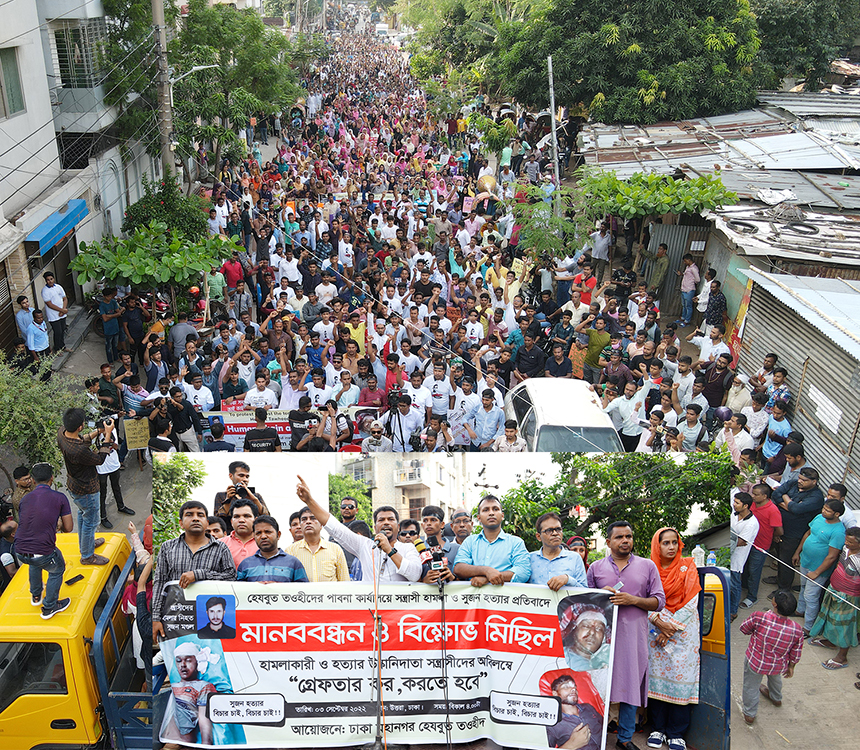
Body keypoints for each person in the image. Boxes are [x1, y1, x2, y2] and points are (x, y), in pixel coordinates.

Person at [587, 521, 665, 750]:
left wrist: (633, 600)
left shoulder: (647, 566)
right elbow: (586, 601)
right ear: (609, 541)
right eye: (620, 537)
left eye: (628, 536)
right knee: (598, 685)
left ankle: (625, 739)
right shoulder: (595, 568)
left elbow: (659, 601)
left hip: (633, 637)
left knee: (631, 687)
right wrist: (601, 595)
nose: (625, 541)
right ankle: (595, 735)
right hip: (601, 638)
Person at [295, 476, 421, 582]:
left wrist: (389, 550)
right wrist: (309, 500)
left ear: (398, 527)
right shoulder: (366, 546)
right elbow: (336, 528)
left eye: (391, 519)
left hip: (398, 610)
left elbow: (415, 575)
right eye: (381, 520)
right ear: (375, 527)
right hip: (371, 609)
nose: (386, 523)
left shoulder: (407, 548)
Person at [646, 528, 701, 750]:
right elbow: (642, 598)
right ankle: (658, 729)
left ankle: (677, 732)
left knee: (681, 683)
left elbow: (691, 600)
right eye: (665, 543)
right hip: (654, 630)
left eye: (674, 542)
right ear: (656, 546)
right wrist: (658, 622)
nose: (671, 547)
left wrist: (670, 628)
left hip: (684, 633)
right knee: (657, 680)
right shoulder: (649, 569)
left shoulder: (688, 565)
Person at [152, 501, 236, 643]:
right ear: (181, 523)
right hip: (176, 619)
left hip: (209, 619)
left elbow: (232, 578)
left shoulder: (221, 548)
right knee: (178, 661)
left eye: (200, 515)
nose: (195, 518)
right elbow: (159, 582)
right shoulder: (168, 547)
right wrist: (155, 618)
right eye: (189, 515)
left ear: (206, 522)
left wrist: (199, 575)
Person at [15, 463, 74, 619]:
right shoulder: (60, 498)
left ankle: (35, 595)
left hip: (20, 550)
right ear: (52, 478)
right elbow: (68, 528)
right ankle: (50, 606)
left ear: (33, 481)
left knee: (35, 562)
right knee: (57, 568)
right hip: (43, 551)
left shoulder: (25, 499)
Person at [57, 408, 115, 565]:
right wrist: (107, 435)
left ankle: (86, 544)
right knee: (90, 521)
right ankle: (87, 556)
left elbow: (80, 440)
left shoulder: (62, 433)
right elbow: (100, 459)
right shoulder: (79, 451)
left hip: (74, 485)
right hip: (86, 489)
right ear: (80, 427)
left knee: (84, 515)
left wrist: (98, 431)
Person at [739, 590, 803, 724]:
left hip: (755, 662)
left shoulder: (759, 617)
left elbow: (744, 629)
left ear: (774, 604)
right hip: (777, 664)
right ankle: (776, 698)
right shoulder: (797, 629)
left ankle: (750, 714)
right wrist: (791, 666)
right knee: (775, 679)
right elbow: (796, 651)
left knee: (751, 687)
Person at [808, 525, 860, 670]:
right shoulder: (845, 549)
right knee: (830, 617)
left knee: (844, 625)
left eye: (851, 542)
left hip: (848, 597)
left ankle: (842, 657)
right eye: (846, 540)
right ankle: (831, 641)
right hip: (834, 589)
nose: (847, 543)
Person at [793, 498, 845, 635]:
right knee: (803, 587)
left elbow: (832, 556)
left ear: (837, 514)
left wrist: (816, 572)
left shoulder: (839, 532)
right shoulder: (818, 518)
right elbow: (807, 534)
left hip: (818, 569)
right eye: (824, 508)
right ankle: (800, 610)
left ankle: (808, 627)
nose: (823, 511)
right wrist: (798, 552)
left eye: (827, 510)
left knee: (811, 596)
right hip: (805, 561)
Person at [453, 495, 530, 586]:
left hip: (505, 599)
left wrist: (488, 578)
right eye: (486, 510)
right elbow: (458, 568)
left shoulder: (516, 543)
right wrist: (486, 571)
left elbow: (523, 572)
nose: (491, 513)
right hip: (475, 599)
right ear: (479, 518)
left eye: (495, 509)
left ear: (502, 515)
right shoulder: (470, 542)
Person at [772, 466, 824, 596]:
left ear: (814, 482)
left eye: (804, 480)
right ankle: (779, 579)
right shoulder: (793, 483)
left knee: (786, 560)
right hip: (780, 528)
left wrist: (784, 497)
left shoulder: (816, 497)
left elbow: (796, 509)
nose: (800, 481)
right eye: (800, 478)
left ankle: (783, 589)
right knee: (778, 555)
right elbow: (775, 494)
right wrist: (788, 502)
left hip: (795, 534)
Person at [166, 642, 218, 745]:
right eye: (178, 661)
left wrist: (206, 745)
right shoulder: (170, 686)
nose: (183, 665)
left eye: (188, 660)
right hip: (161, 740)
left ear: (197, 662)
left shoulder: (203, 686)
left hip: (181, 743)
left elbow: (204, 719)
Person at [741, 484, 783, 609]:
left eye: (756, 494)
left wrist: (771, 536)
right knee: (746, 566)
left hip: (760, 545)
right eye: (752, 493)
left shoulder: (773, 510)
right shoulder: (752, 504)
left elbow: (779, 531)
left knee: (755, 571)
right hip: (747, 542)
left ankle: (752, 597)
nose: (752, 496)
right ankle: (746, 586)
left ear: (765, 496)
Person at [286, 505, 350, 582]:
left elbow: (344, 582)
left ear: (321, 525)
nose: (308, 522)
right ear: (301, 525)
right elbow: (287, 583)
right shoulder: (290, 551)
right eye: (304, 519)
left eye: (313, 518)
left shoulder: (335, 550)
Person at [237, 516, 309, 583]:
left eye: (268, 532)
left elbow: (303, 591)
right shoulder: (245, 564)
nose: (263, 536)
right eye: (258, 533)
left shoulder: (293, 563)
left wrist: (277, 588)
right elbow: (237, 591)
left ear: (278, 535)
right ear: (254, 537)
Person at [529, 512, 587, 590]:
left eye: (558, 529)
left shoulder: (575, 558)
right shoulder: (529, 559)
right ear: (539, 537)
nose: (555, 533)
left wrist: (568, 580)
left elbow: (585, 591)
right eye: (549, 530)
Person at [546, 674, 603, 750]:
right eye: (566, 687)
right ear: (555, 694)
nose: (573, 689)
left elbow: (603, 725)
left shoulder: (588, 707)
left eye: (574, 687)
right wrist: (571, 745)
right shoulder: (552, 724)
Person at [730, 493, 759, 621]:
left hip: (737, 558)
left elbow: (741, 542)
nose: (734, 504)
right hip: (729, 555)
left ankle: (733, 611)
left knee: (734, 585)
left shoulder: (752, 524)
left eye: (737, 503)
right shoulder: (733, 514)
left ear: (746, 506)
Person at [213, 461, 269, 526]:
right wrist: (228, 500)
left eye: (247, 477)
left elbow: (267, 518)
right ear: (231, 476)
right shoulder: (221, 495)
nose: (245, 479)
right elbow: (217, 521)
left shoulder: (255, 496)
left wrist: (254, 500)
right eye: (241, 476)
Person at [419, 506, 459, 585]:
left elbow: (466, 581)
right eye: (425, 520)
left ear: (442, 524)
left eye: (433, 520)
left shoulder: (457, 549)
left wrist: (452, 577)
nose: (429, 523)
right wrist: (424, 581)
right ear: (422, 525)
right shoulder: (417, 550)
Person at [221, 498, 260, 568]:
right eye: (236, 516)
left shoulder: (264, 544)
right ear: (231, 522)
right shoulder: (220, 544)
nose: (241, 520)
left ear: (255, 520)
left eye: (247, 516)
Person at [40, 271, 69, 352]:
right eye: (48, 280)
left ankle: (63, 346)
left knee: (63, 330)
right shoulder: (45, 291)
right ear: (46, 281)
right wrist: (62, 310)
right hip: (53, 315)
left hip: (62, 313)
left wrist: (63, 309)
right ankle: (57, 349)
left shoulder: (59, 287)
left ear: (54, 278)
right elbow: (49, 304)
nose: (50, 281)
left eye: (51, 279)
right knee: (58, 332)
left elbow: (65, 298)